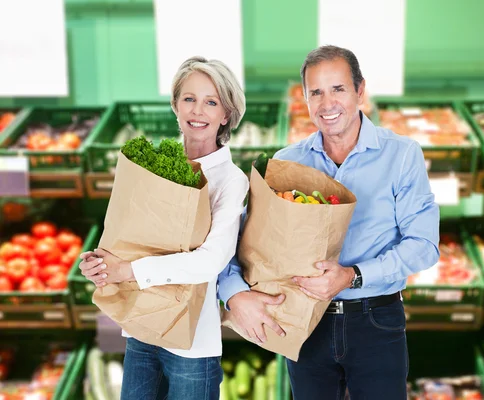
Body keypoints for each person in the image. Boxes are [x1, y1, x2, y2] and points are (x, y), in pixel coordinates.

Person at [218, 45, 440, 399]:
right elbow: (240, 243)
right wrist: (233, 295)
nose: (327, 103)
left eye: (338, 89)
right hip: (304, 322)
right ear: (305, 100)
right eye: (316, 93)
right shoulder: (287, 162)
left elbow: (424, 246)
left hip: (376, 320)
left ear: (360, 91)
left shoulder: (401, 155)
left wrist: (352, 276)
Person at [78, 56, 254, 400]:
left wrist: (125, 270)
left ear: (226, 115)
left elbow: (210, 261)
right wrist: (100, 264)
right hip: (141, 331)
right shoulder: (150, 170)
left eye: (211, 102)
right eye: (189, 99)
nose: (198, 111)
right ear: (175, 105)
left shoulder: (231, 181)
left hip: (192, 347)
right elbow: (128, 239)